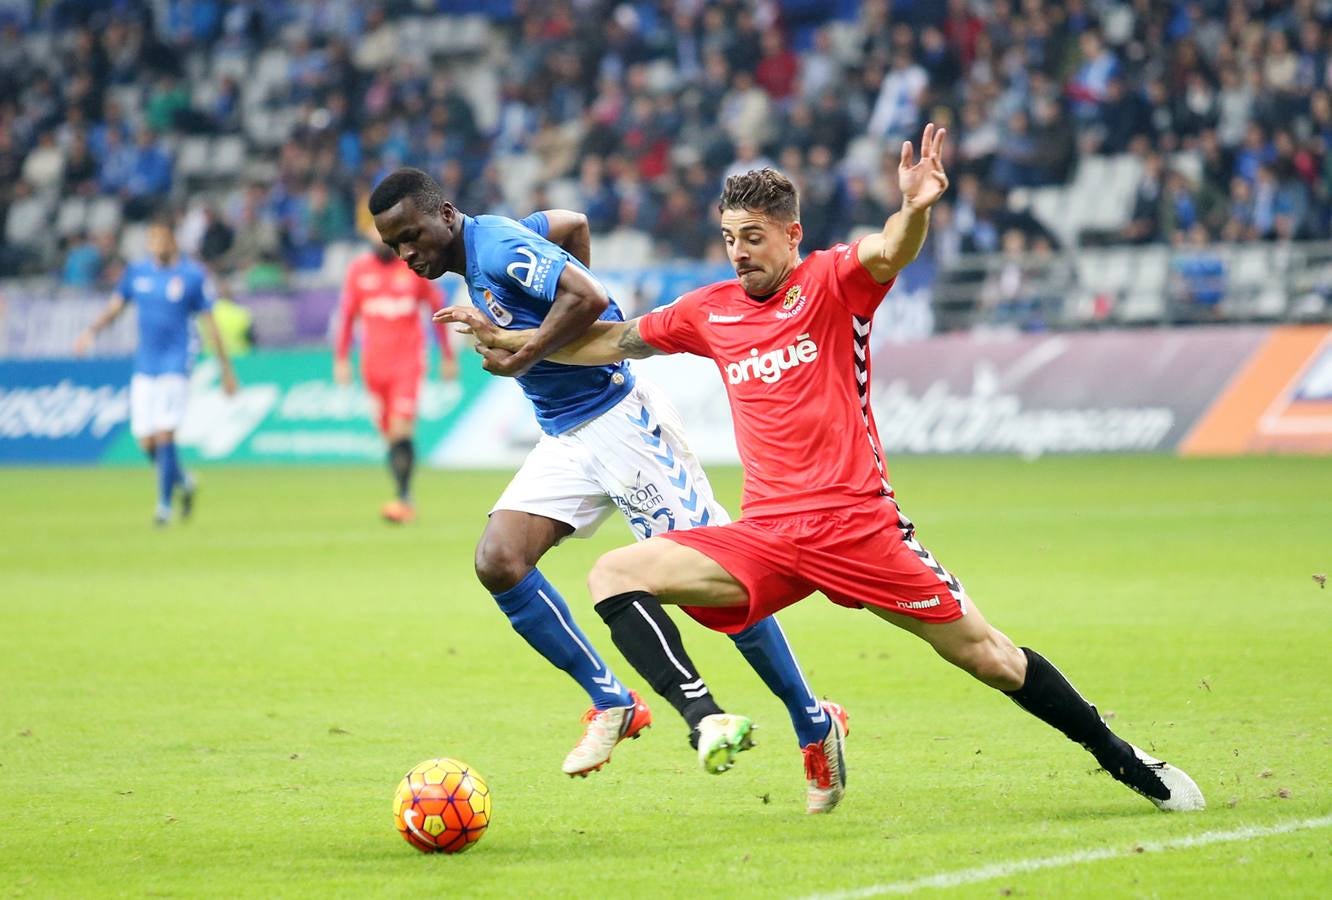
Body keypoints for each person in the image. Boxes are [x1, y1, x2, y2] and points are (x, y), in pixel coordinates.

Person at [441, 124, 1206, 815]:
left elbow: (890, 249)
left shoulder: (835, 282)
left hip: (857, 527)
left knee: (990, 657)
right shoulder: (710, 310)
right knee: (613, 573)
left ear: (791, 234)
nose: (738, 252)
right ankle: (704, 717)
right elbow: (607, 341)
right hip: (769, 536)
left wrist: (916, 210)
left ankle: (1122, 758)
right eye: (728, 237)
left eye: (752, 237)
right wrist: (508, 331)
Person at [369, 169, 847, 812]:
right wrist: (573, 347)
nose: (407, 254)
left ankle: (813, 723)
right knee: (499, 561)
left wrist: (532, 352)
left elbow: (587, 294)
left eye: (412, 235)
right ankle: (614, 701)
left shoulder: (498, 249)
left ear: (445, 214)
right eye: (394, 245)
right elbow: (573, 226)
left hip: (626, 427)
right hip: (566, 438)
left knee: (724, 589)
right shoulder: (492, 247)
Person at [75, 219, 239, 526]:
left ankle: (163, 507)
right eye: (151, 241)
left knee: (166, 433)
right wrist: (90, 332)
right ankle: (185, 482)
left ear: (172, 242)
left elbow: (210, 322)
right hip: (145, 365)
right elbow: (115, 307)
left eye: (161, 240)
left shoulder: (191, 275)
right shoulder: (137, 273)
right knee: (147, 441)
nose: (157, 246)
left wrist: (226, 370)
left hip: (176, 363)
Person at [333, 233, 458, 523]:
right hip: (373, 366)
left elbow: (438, 310)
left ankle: (403, 498)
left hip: (408, 363)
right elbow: (347, 316)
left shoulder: (413, 268)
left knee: (401, 430)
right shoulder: (359, 270)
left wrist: (448, 356)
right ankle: (402, 493)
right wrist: (341, 359)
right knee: (390, 435)